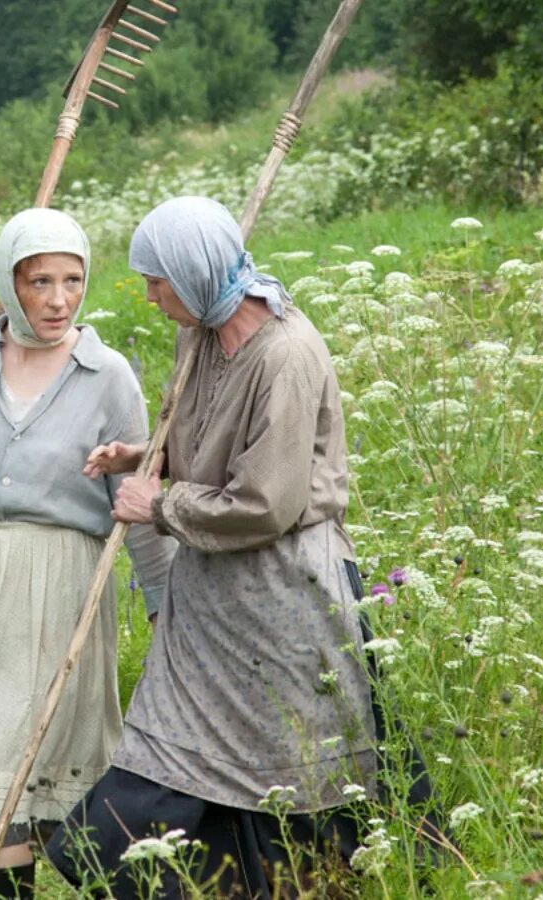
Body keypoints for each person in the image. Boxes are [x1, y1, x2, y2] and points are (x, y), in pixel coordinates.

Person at [47, 196, 377, 897]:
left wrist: (157, 505)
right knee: (164, 763)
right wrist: (146, 457)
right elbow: (212, 447)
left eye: (157, 280)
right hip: (211, 614)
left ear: (194, 273)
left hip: (287, 602)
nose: (149, 296)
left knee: (289, 778)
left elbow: (267, 501)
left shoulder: (285, 354)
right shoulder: (198, 335)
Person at [0, 208, 177, 898]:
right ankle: (133, 882)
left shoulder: (106, 374)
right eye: (39, 281)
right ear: (8, 283)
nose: (59, 300)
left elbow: (135, 504)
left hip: (59, 585)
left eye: (73, 280)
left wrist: (163, 606)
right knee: (39, 787)